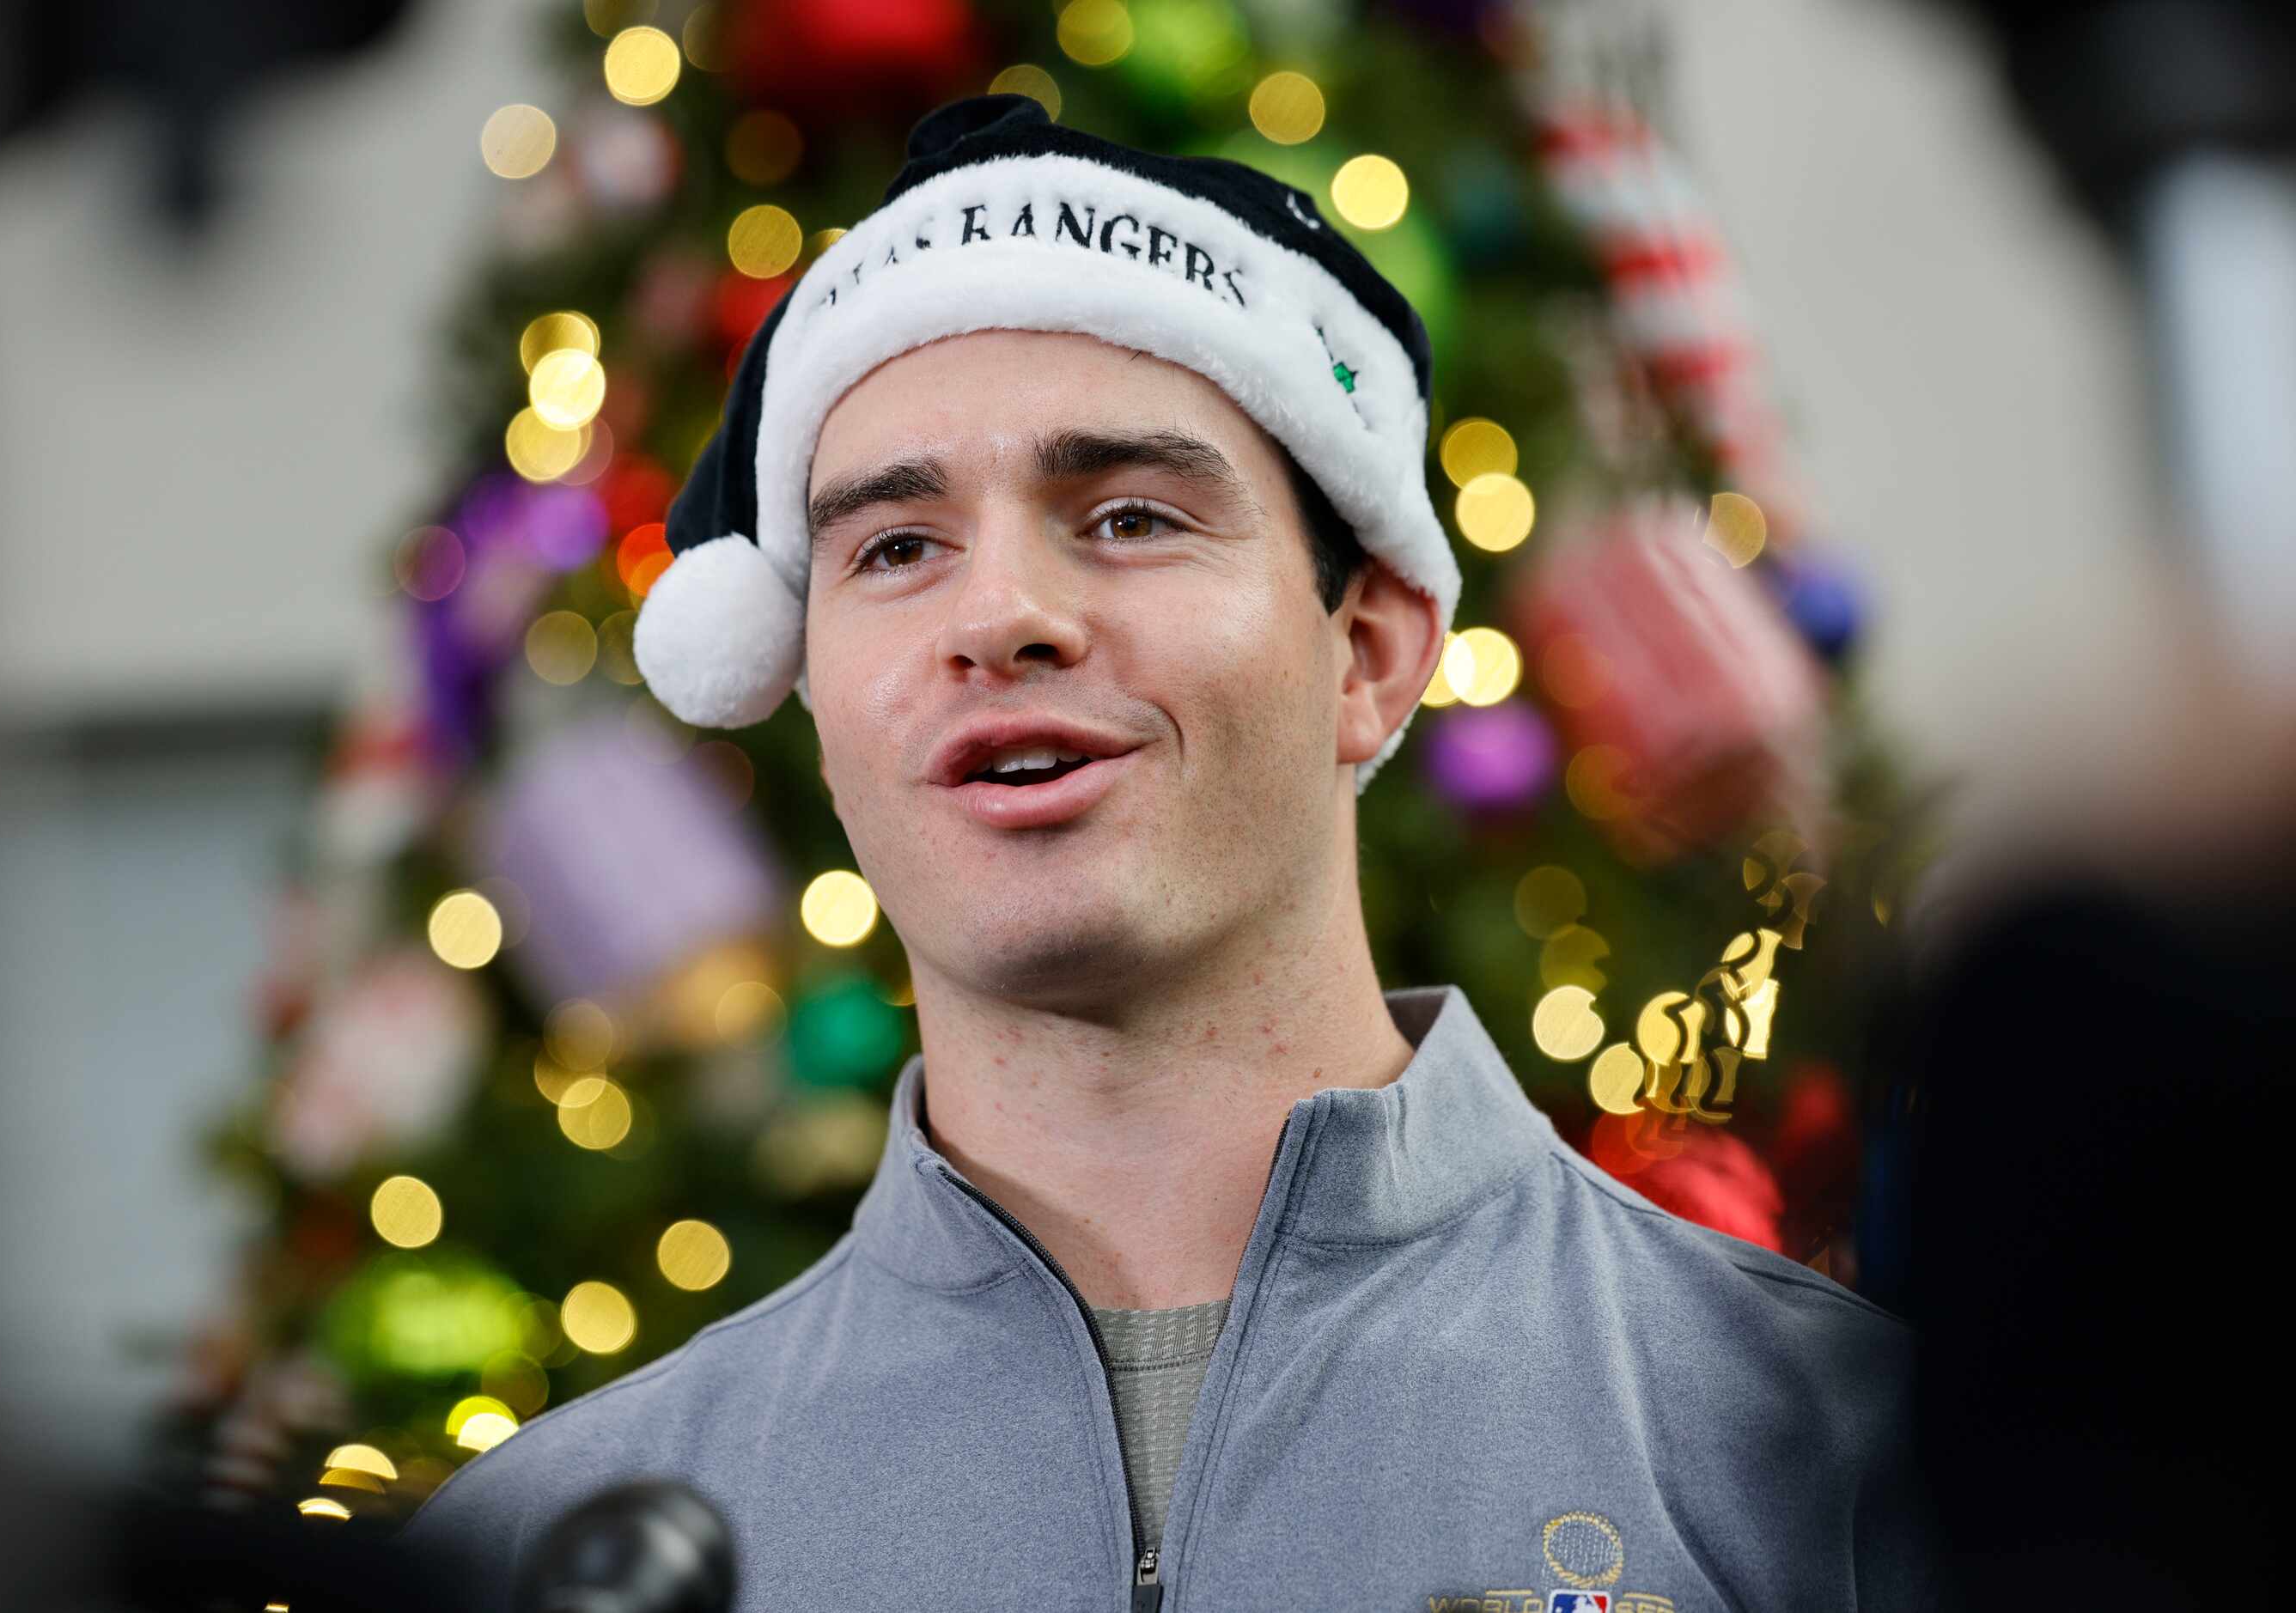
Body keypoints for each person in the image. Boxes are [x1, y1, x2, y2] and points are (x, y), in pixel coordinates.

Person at [405, 94, 1937, 1611]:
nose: (999, 614)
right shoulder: (538, 1555)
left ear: (1376, 654)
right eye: (894, 547)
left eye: (1131, 515)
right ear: (812, 700)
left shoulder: (1840, 1458)